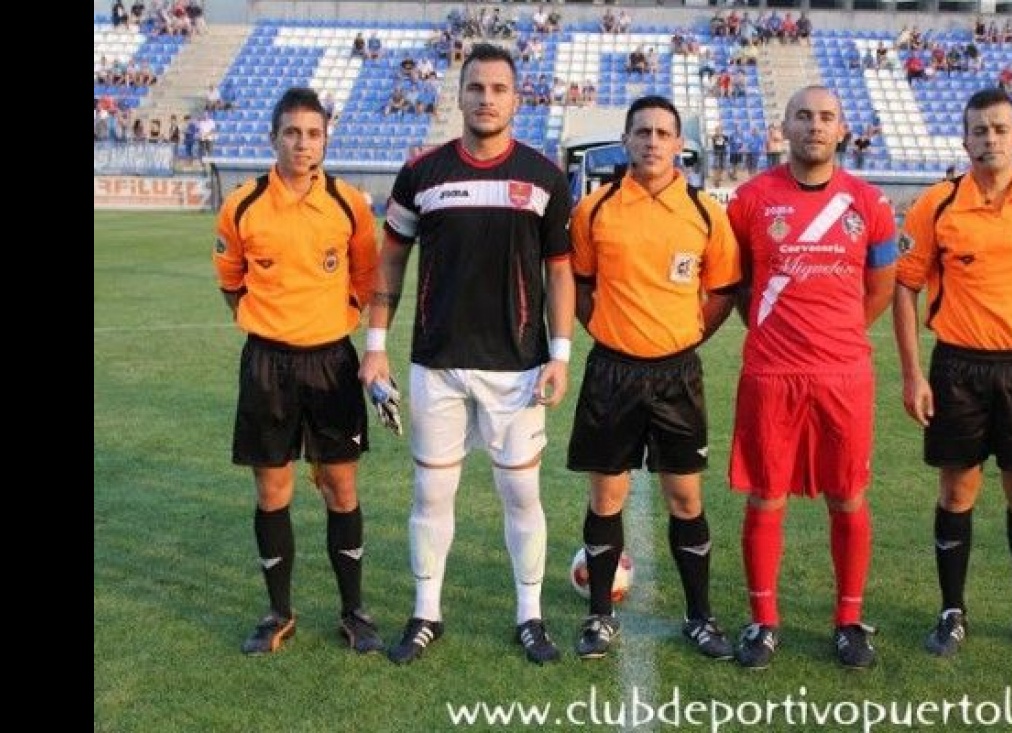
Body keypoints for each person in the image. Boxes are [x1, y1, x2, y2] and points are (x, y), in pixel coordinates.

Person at [359, 43, 575, 666]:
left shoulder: (543, 178)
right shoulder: (421, 173)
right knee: (431, 495)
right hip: (438, 364)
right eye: (475, 87)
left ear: (517, 98)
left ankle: (529, 617)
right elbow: (392, 258)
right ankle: (427, 612)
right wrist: (376, 348)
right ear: (458, 95)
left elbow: (559, 273)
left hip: (519, 369)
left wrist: (559, 355)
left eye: (498, 88)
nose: (486, 98)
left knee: (521, 498)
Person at [892, 87, 1012, 660]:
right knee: (957, 489)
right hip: (957, 369)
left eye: (1000, 128)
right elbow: (905, 288)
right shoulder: (936, 205)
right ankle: (952, 611)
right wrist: (912, 375)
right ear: (965, 139)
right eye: (980, 130)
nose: (990, 139)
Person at [726, 86, 898, 671]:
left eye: (826, 117)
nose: (814, 126)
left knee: (847, 494)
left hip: (843, 375)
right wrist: (780, 331)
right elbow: (739, 282)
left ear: (842, 128)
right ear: (784, 127)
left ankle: (849, 621)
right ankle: (763, 622)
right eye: (803, 116)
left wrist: (834, 336)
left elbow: (879, 289)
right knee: (765, 493)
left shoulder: (870, 203)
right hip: (771, 373)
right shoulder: (749, 199)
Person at [567, 95, 742, 662]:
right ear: (625, 140)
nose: (651, 141)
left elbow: (721, 291)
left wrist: (685, 336)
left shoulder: (706, 213)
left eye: (662, 132)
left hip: (676, 375)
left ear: (678, 144)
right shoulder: (594, 209)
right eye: (641, 131)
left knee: (685, 497)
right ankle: (600, 615)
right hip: (611, 373)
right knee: (606, 495)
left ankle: (700, 616)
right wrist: (609, 330)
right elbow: (582, 285)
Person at [212, 87, 383, 656]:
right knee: (272, 489)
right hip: (266, 365)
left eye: (313, 134)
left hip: (331, 363)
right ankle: (278, 611)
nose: (302, 144)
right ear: (273, 138)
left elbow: (365, 276)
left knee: (340, 486)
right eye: (292, 133)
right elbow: (231, 281)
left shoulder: (349, 205)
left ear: (326, 139)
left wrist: (335, 321)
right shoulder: (242, 204)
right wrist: (271, 326)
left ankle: (354, 611)